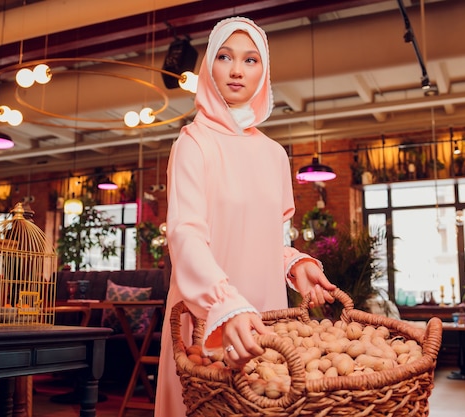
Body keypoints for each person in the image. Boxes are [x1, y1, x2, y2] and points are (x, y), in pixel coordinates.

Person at [154, 16, 336, 416]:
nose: (237, 70)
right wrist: (225, 306)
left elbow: (269, 237)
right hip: (209, 318)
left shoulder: (274, 154)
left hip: (265, 321)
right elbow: (186, 236)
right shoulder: (193, 144)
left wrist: (296, 265)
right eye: (225, 56)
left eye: (251, 60)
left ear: (264, 73)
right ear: (209, 68)